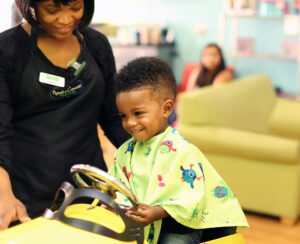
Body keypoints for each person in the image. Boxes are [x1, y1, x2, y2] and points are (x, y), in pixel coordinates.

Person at [0, 0, 129, 230]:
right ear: (29, 6)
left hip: (91, 194)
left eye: (75, 7)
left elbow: (112, 118)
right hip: (25, 196)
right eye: (52, 9)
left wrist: (160, 152)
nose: (66, 19)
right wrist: (3, 194)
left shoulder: (97, 44)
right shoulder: (6, 50)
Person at [109, 57, 248, 244]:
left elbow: (189, 197)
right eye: (123, 116)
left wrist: (157, 211)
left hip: (185, 224)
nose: (130, 123)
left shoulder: (180, 150)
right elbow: (116, 183)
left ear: (166, 109)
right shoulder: (126, 150)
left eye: (138, 113)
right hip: (152, 221)